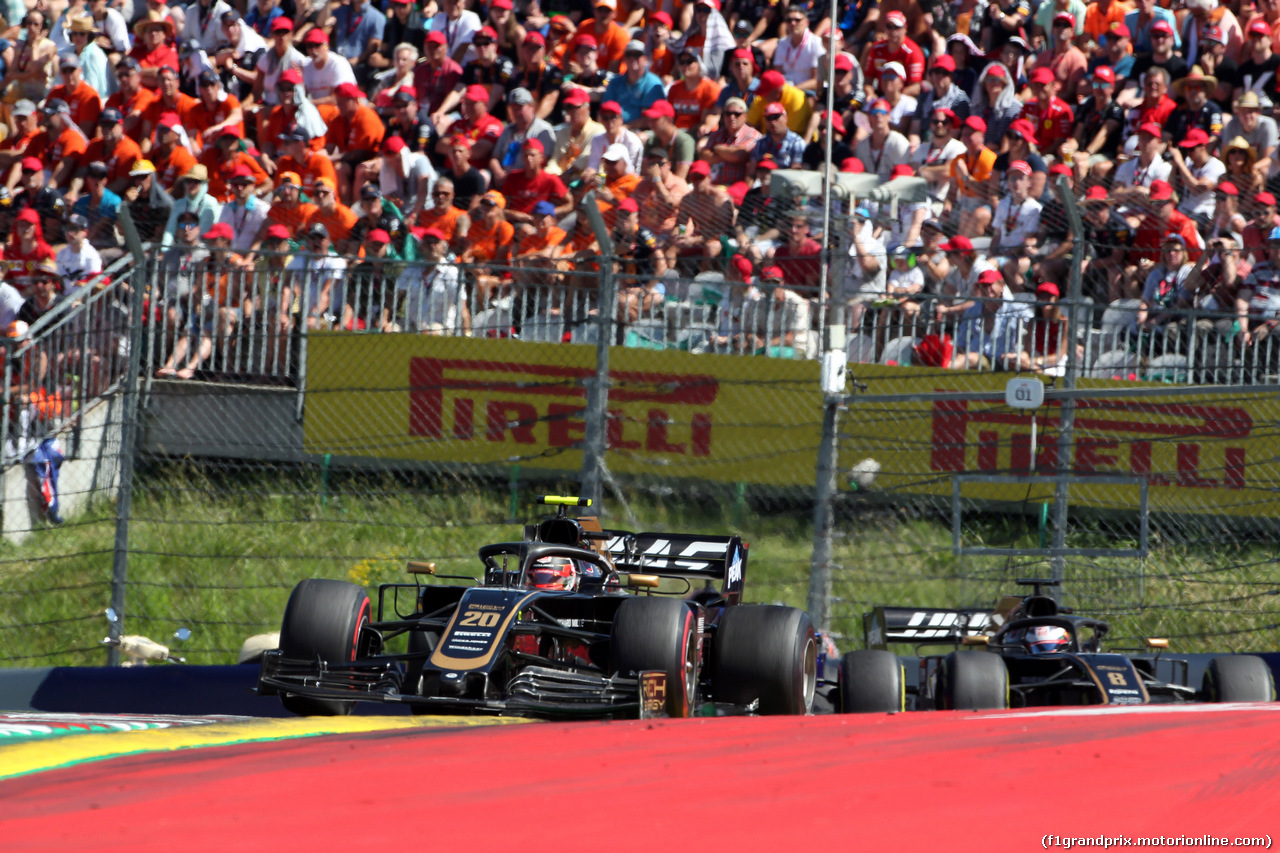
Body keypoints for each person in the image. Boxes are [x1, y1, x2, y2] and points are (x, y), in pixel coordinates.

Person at [599, 40, 664, 124]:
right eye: (629, 55)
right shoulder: (614, 82)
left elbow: (649, 119)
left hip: (641, 132)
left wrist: (625, 128)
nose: (632, 58)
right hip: (613, 127)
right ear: (624, 58)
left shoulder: (653, 83)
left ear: (645, 59)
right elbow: (604, 110)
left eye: (637, 55)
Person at [56, 213, 103, 290]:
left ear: (85, 232)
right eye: (68, 228)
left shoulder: (92, 255)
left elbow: (96, 285)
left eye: (74, 229)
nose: (70, 233)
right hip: (65, 297)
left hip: (85, 298)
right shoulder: (62, 254)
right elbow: (58, 280)